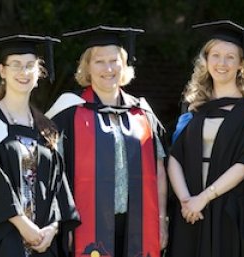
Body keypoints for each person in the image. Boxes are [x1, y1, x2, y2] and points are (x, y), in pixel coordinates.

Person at [45, 25, 167, 257]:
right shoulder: (68, 113)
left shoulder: (142, 113)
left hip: (137, 222)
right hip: (86, 223)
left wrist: (161, 219)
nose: (108, 68)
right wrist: (65, 223)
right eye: (99, 61)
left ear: (123, 65)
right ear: (87, 68)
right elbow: (55, 175)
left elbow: (159, 170)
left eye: (114, 60)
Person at [0, 35, 80, 257]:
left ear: (39, 73)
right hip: (1, 242)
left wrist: (52, 229)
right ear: (2, 71)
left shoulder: (46, 128)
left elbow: (59, 186)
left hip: (43, 243)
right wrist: (23, 226)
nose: (24, 72)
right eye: (16, 65)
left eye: (30, 65)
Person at [166, 20, 244, 257]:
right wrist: (185, 201)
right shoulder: (194, 108)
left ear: (242, 64)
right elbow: (175, 158)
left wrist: (204, 198)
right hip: (190, 210)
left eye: (230, 57)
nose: (222, 63)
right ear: (206, 59)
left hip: (229, 208)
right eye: (216, 55)